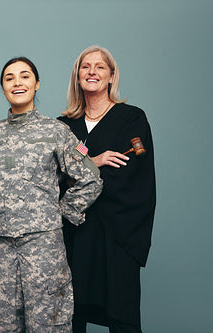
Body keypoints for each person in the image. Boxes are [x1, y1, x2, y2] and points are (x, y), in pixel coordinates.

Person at [0, 57, 103, 333]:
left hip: (44, 248)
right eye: (9, 78)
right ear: (3, 87)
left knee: (49, 325)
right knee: (2, 325)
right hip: (1, 249)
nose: (17, 83)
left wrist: (61, 212)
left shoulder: (56, 131)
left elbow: (90, 177)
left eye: (24, 76)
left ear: (37, 83)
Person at [57, 46, 156, 333]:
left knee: (121, 316)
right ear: (77, 77)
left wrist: (78, 176)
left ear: (111, 76)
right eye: (85, 67)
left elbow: (130, 174)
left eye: (99, 67)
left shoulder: (131, 119)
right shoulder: (63, 126)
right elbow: (53, 178)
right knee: (70, 317)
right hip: (73, 237)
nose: (92, 72)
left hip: (116, 235)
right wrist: (93, 162)